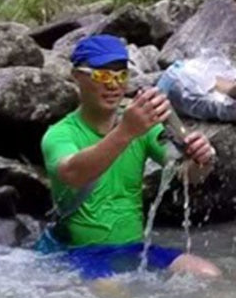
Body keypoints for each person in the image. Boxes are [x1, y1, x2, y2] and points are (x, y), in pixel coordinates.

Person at [40, 34, 220, 279]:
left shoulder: (142, 127)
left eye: (121, 75)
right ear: (77, 76)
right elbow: (73, 174)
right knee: (115, 293)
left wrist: (202, 159)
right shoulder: (60, 135)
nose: (113, 85)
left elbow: (188, 175)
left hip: (134, 249)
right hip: (81, 253)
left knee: (208, 274)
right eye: (103, 76)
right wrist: (126, 131)